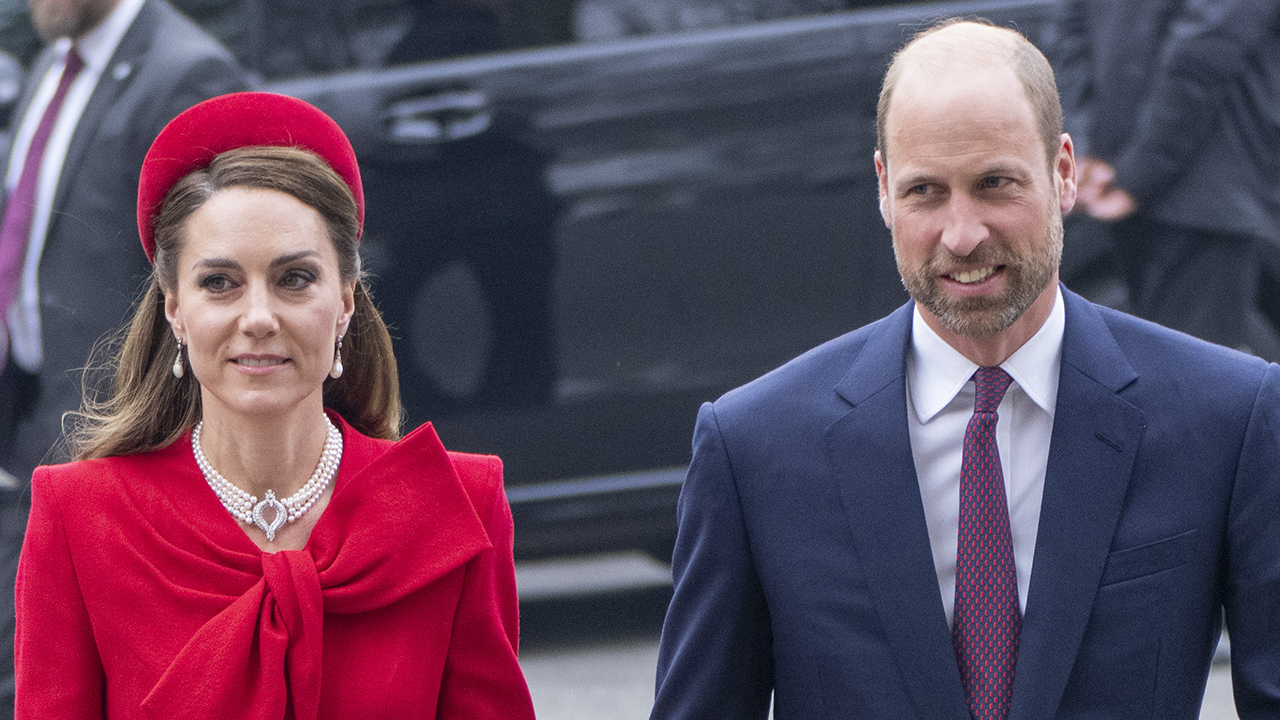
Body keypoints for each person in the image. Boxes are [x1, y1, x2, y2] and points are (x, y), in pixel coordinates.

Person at [650, 19, 1280, 719]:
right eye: (926, 192)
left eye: (994, 184)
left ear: (1064, 172)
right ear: (884, 189)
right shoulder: (756, 446)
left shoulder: (1225, 416)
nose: (962, 234)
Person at [13, 91, 536, 718]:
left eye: (294, 279)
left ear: (345, 300)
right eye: (219, 283)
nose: (258, 318)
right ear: (174, 308)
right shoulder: (80, 517)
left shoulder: (456, 505)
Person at [0, 0, 247, 712]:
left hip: (116, 425)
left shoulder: (186, 73)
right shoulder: (54, 65)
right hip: (33, 409)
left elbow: (214, 278)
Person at [1047, 0, 1280, 356]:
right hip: (1203, 192)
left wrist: (1088, 151)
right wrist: (1134, 174)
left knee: (1156, 371)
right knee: (1200, 379)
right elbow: (1204, 54)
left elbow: (1068, 36)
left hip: (1119, 181)